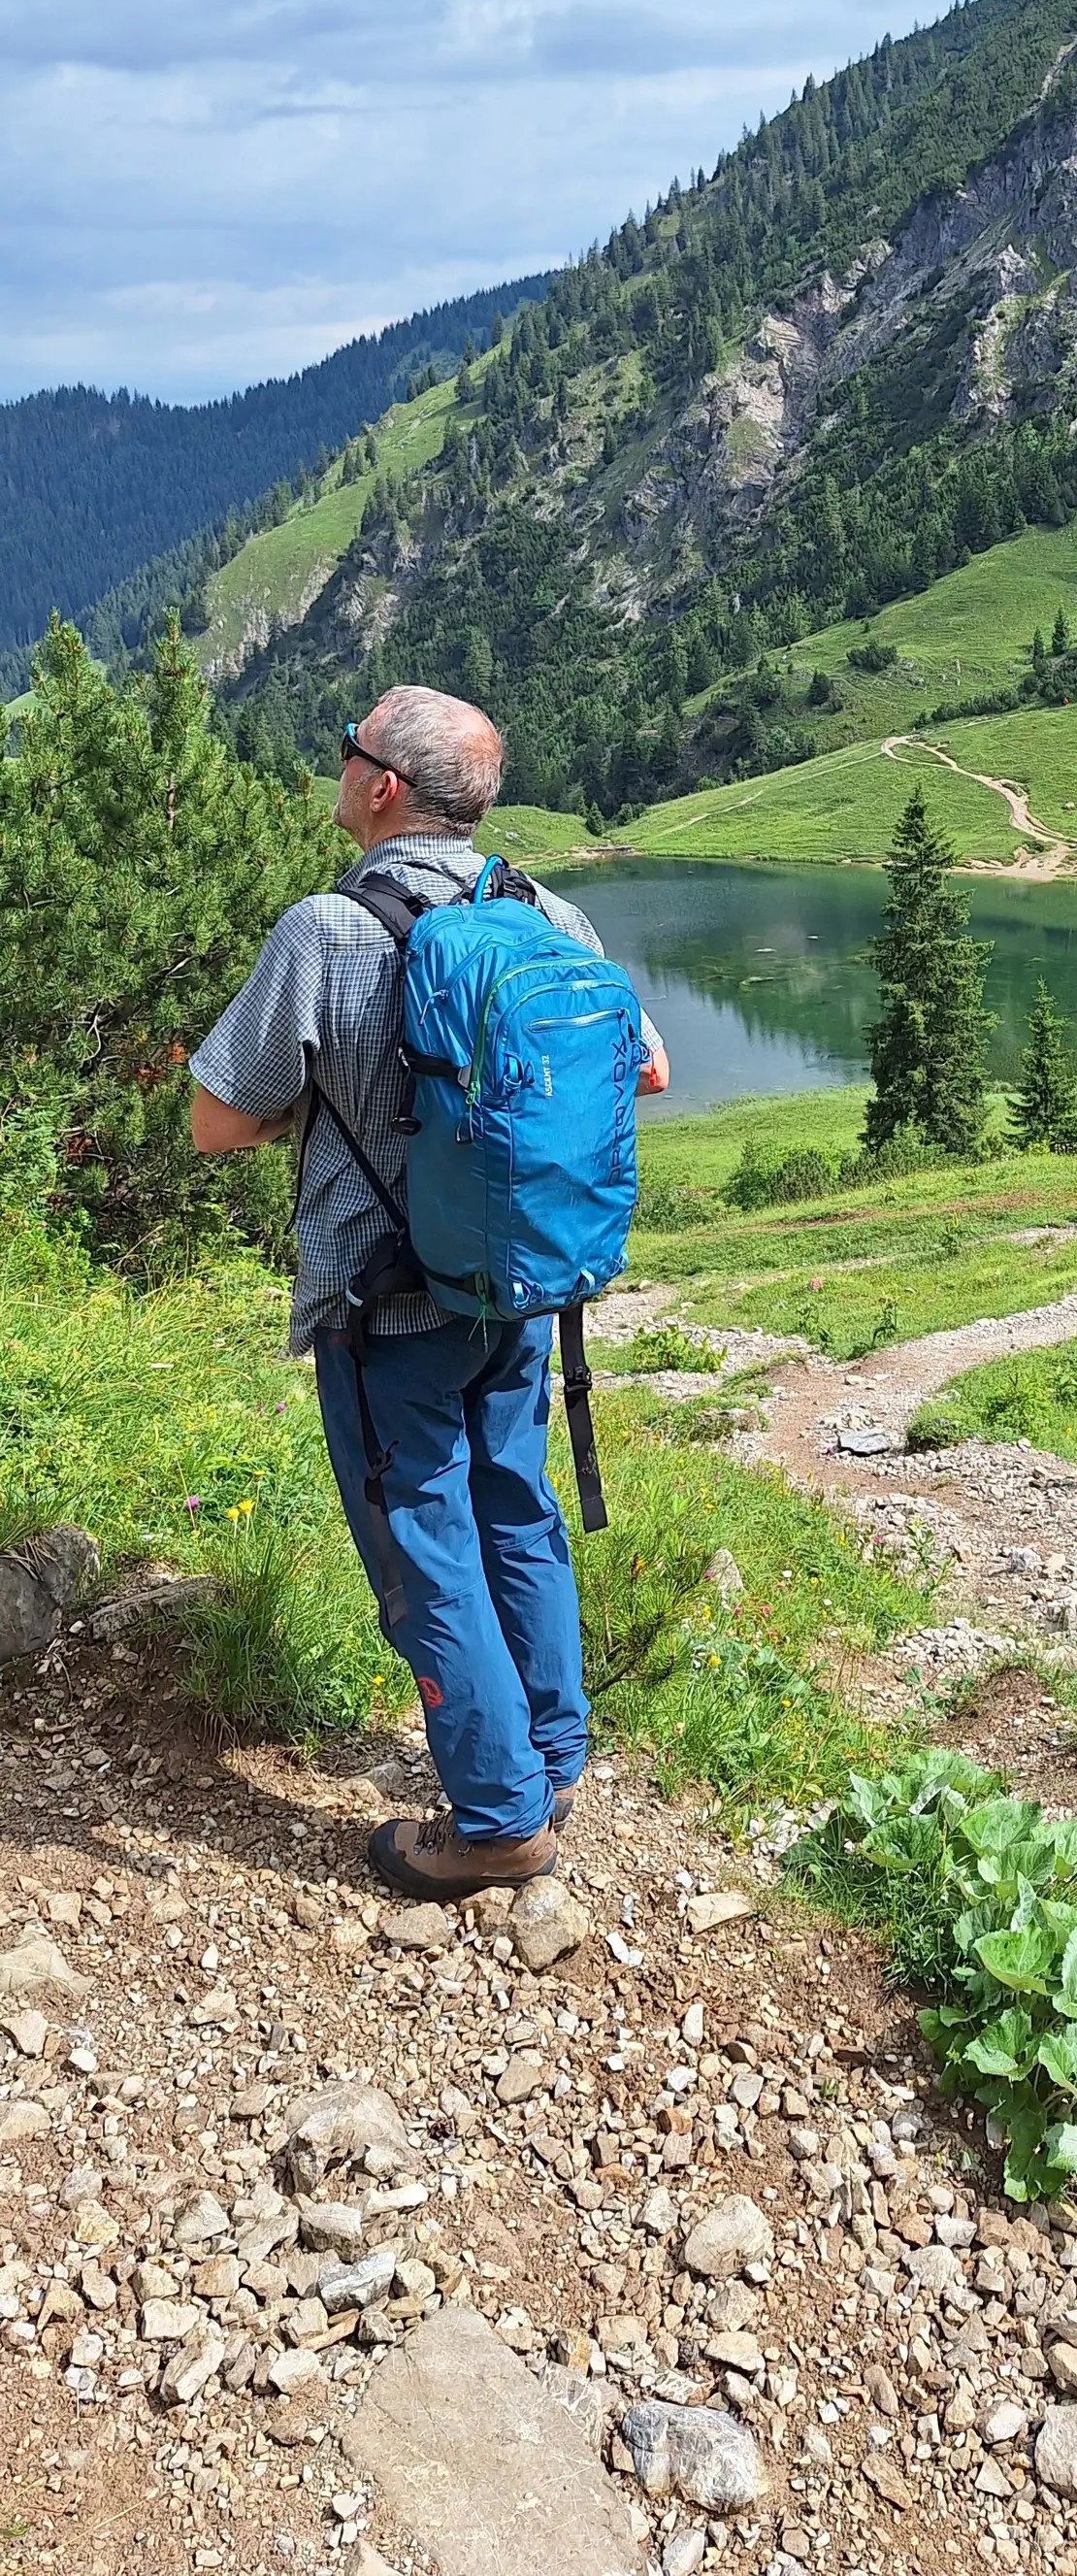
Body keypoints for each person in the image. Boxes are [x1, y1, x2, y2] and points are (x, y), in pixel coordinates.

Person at [189, 686, 667, 1900]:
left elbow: (215, 1123)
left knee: (426, 1541)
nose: (340, 765)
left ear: (383, 786)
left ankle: (499, 1821)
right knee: (515, 1504)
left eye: (347, 749)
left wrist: (326, 1104)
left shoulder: (326, 930)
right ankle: (551, 1757)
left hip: (384, 1306)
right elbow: (649, 1068)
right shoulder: (547, 912)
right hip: (517, 1289)